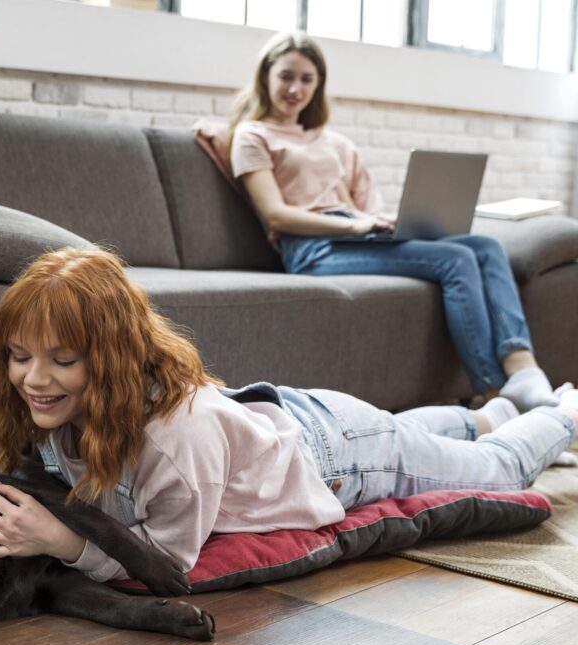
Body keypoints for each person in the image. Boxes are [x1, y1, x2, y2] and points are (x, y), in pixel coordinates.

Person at [0, 248, 578, 583]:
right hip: (292, 416)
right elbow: (43, 415)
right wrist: (5, 430)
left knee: (496, 467)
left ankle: (561, 408)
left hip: (340, 455)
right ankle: (494, 409)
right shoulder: (65, 403)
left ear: (111, 358)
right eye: (19, 357)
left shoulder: (174, 441)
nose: (33, 379)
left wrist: (64, 543)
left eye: (61, 360)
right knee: (414, 432)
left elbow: (167, 562)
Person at [228, 31, 566, 412]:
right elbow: (276, 213)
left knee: (486, 247)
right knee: (455, 260)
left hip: (360, 234)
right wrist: (353, 226)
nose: (295, 88)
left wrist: (394, 221)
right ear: (266, 77)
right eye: (286, 76)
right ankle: (494, 397)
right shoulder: (252, 135)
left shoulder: (337, 143)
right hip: (312, 248)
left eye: (307, 79)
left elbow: (369, 208)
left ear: (319, 84)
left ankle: (524, 371)